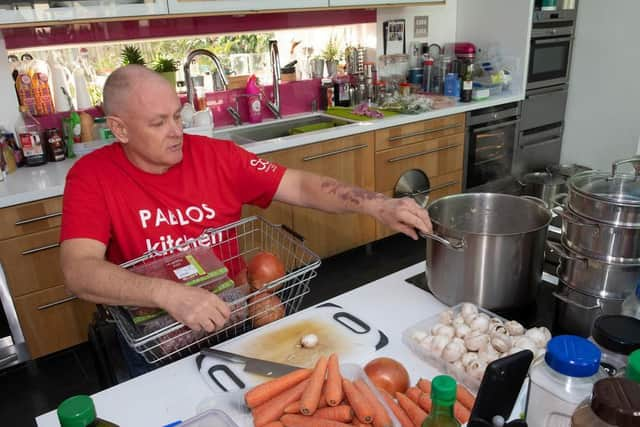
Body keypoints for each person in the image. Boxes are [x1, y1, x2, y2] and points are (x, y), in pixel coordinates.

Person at [60, 65, 432, 374]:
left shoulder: (217, 156)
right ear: (120, 128)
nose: (177, 132)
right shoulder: (92, 176)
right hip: (158, 342)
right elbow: (79, 271)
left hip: (233, 323)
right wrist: (167, 293)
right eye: (158, 123)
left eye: (177, 116)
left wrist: (377, 204)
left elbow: (300, 185)